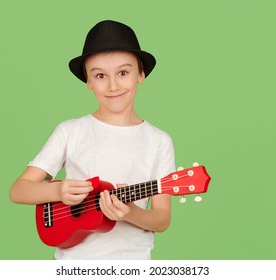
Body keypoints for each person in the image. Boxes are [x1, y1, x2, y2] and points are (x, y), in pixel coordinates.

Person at [10, 20, 175, 260]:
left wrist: (129, 213)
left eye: (123, 72)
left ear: (140, 74)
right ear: (88, 81)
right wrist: (58, 192)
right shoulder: (70, 131)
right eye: (100, 75)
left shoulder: (158, 141)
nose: (113, 85)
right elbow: (19, 191)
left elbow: (161, 220)